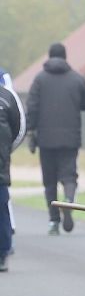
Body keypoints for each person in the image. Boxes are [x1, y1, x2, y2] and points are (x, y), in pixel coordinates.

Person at [25, 43, 85, 235]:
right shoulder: (76, 78)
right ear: (65, 57)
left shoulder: (39, 79)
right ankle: (69, 201)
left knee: (50, 181)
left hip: (46, 139)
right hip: (70, 137)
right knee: (69, 175)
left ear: (49, 57)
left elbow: (32, 107)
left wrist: (31, 132)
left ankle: (54, 221)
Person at [0, 83, 24, 272]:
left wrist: (7, 151)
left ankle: (3, 252)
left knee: (1, 208)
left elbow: (20, 128)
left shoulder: (8, 96)